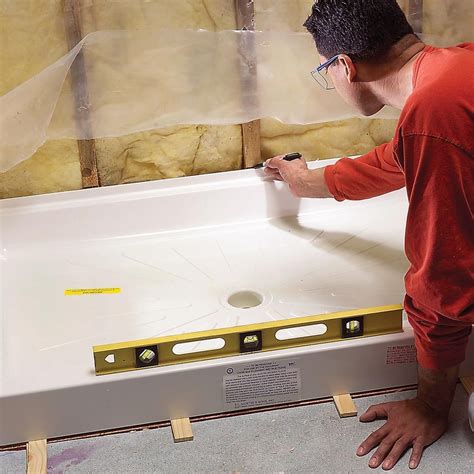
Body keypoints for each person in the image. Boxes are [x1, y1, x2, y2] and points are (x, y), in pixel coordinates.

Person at [264, 0, 474, 470]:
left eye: (326, 71)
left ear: (344, 66)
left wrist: (431, 405)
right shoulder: (457, 68)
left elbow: (446, 275)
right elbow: (398, 158)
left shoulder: (433, 112)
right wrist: (306, 182)